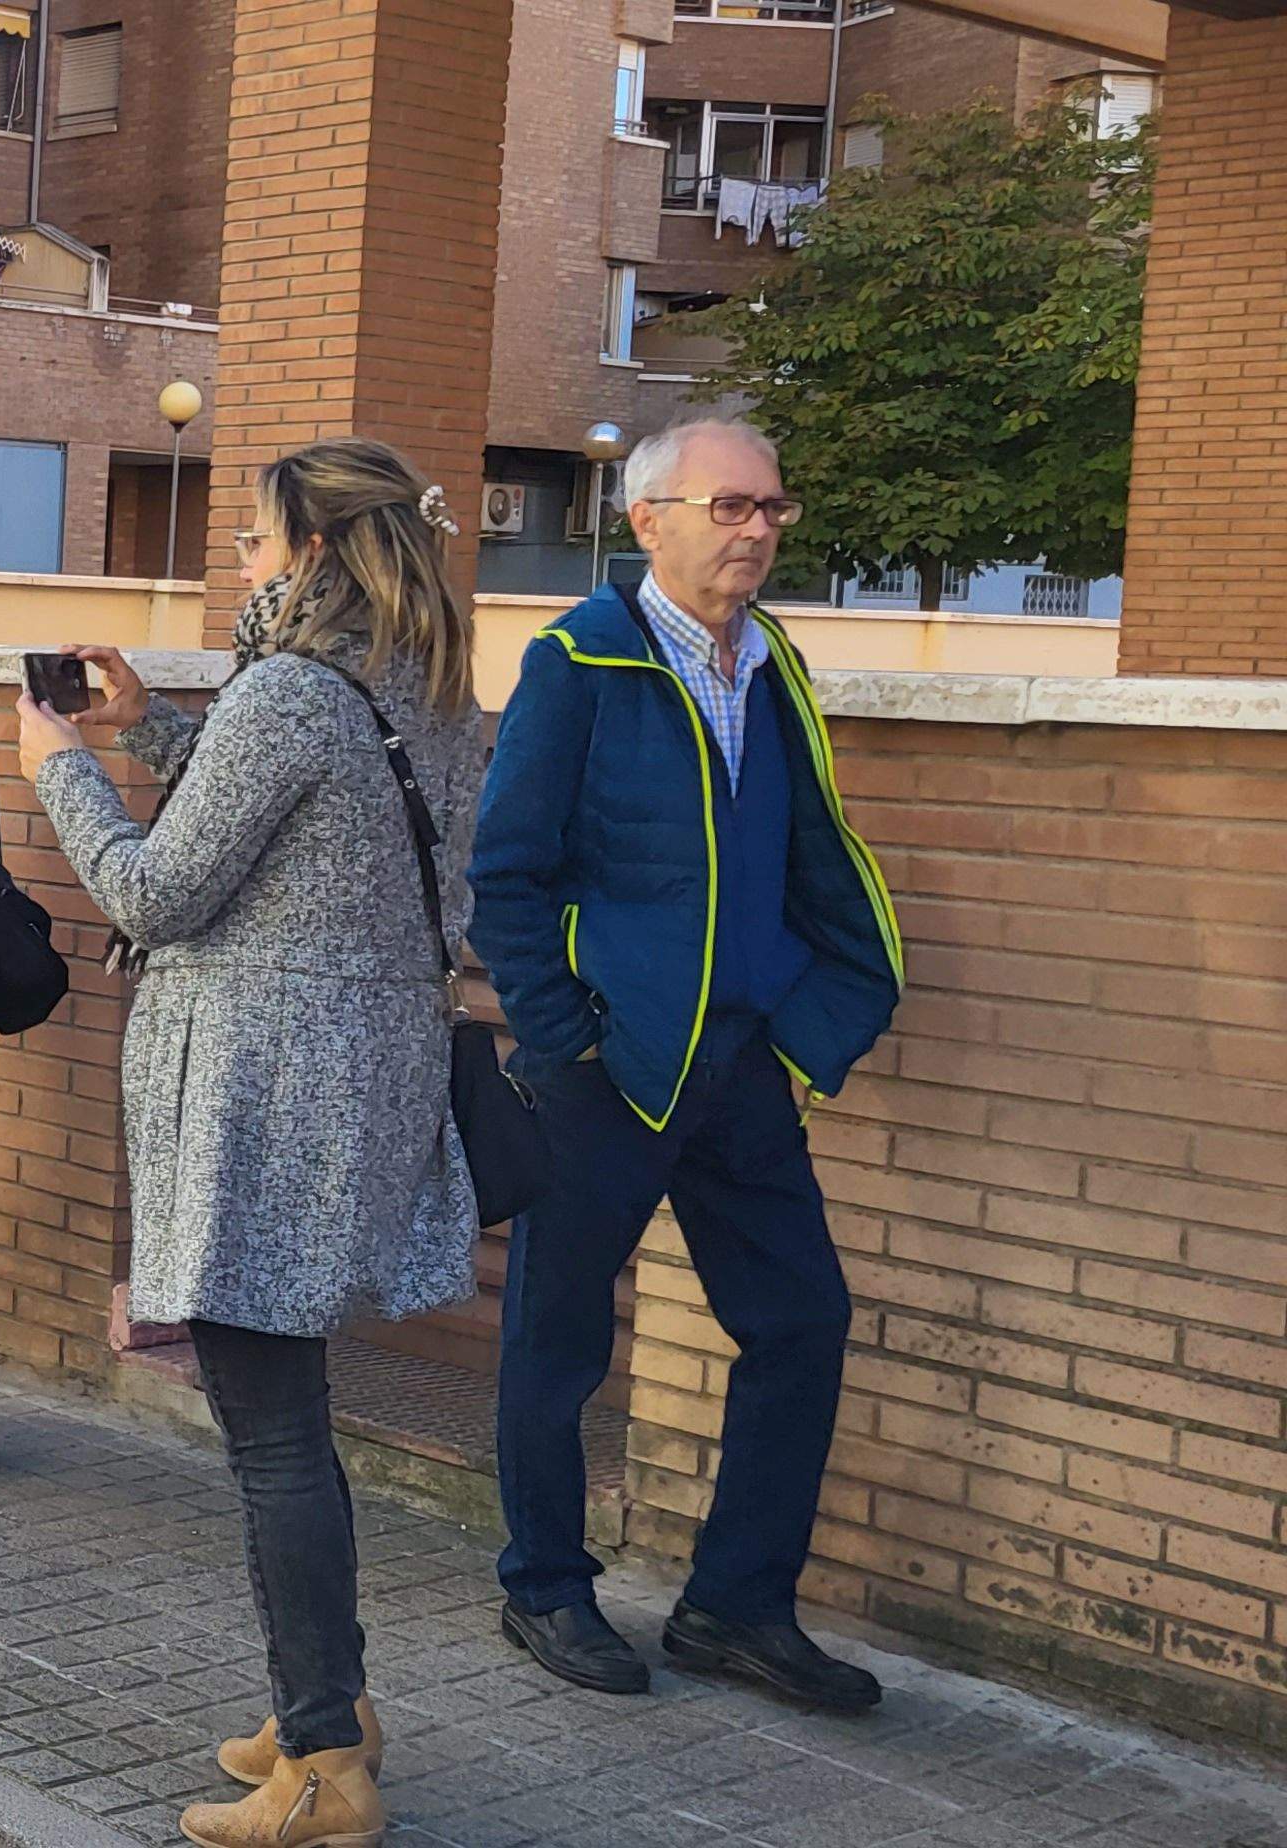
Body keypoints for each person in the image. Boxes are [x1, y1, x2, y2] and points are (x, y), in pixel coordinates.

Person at [16, 438, 485, 1848]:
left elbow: (161, 891)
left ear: (321, 556)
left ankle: (329, 1769)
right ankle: (321, 1703)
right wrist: (154, 723)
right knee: (286, 1415)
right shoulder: (428, 688)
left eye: (259, 541)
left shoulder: (290, 693)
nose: (240, 558)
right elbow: (313, 811)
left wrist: (63, 772)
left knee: (271, 1431)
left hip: (267, 1104)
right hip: (361, 1081)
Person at [473, 418, 902, 1715]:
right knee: (557, 1343)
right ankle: (545, 1584)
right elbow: (506, 874)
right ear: (649, 520)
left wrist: (813, 1018)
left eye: (774, 507)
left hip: (739, 1071)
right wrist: (568, 1039)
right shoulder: (580, 663)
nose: (759, 529)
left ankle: (734, 1607)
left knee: (800, 1320)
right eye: (731, 506)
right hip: (607, 1072)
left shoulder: (771, 667)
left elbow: (810, 861)